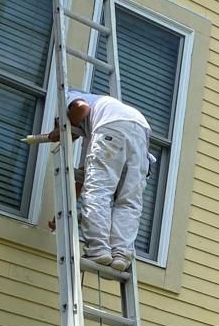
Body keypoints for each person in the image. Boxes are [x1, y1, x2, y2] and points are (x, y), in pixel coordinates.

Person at [26, 89, 152, 271]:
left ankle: (98, 249)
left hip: (113, 127)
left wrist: (61, 130)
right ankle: (121, 255)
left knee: (99, 192)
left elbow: (81, 108)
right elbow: (85, 179)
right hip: (140, 132)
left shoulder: (70, 97)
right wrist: (64, 210)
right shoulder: (93, 130)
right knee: (128, 200)